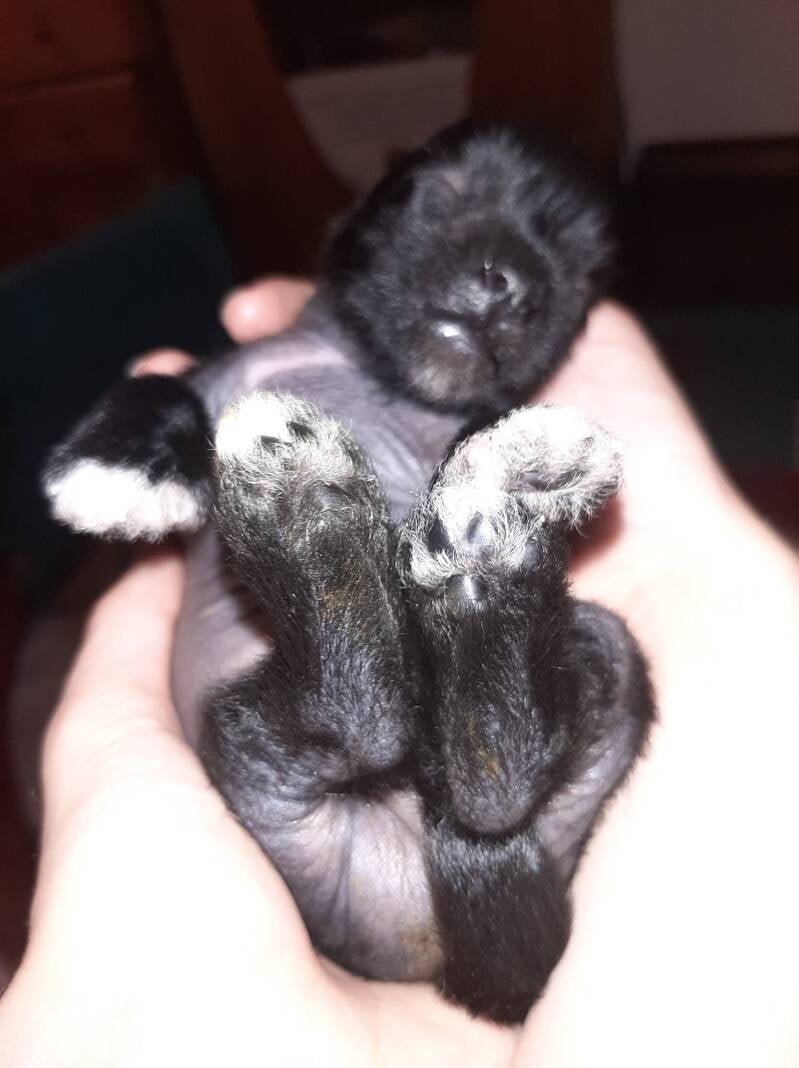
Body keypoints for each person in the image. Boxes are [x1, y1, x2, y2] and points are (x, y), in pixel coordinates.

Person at [0, 280, 796, 1067]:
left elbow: (102, 483)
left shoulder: (426, 386)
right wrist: (139, 435)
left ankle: (395, 679)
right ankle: (464, 672)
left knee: (576, 649)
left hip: (370, 847)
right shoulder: (230, 380)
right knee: (596, 653)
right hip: (435, 852)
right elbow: (107, 482)